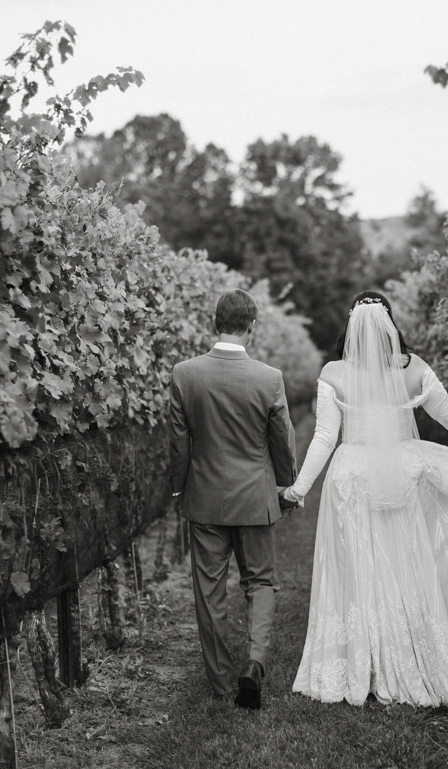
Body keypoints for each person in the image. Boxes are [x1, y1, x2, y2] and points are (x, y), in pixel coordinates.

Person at [282, 290, 448, 708]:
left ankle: (359, 664)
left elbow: (325, 438)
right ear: (389, 325)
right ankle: (410, 660)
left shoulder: (334, 372)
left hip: (350, 478)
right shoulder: (414, 369)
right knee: (404, 566)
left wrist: (299, 489)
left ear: (352, 326)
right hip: (401, 473)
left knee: (357, 570)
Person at [169, 289, 299, 710]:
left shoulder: (184, 374)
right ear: (252, 326)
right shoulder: (269, 378)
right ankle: (255, 663)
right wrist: (286, 485)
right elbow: (282, 440)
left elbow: (178, 442)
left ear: (214, 323)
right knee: (260, 581)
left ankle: (222, 684)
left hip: (205, 498)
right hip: (255, 498)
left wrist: (178, 488)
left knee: (209, 591)